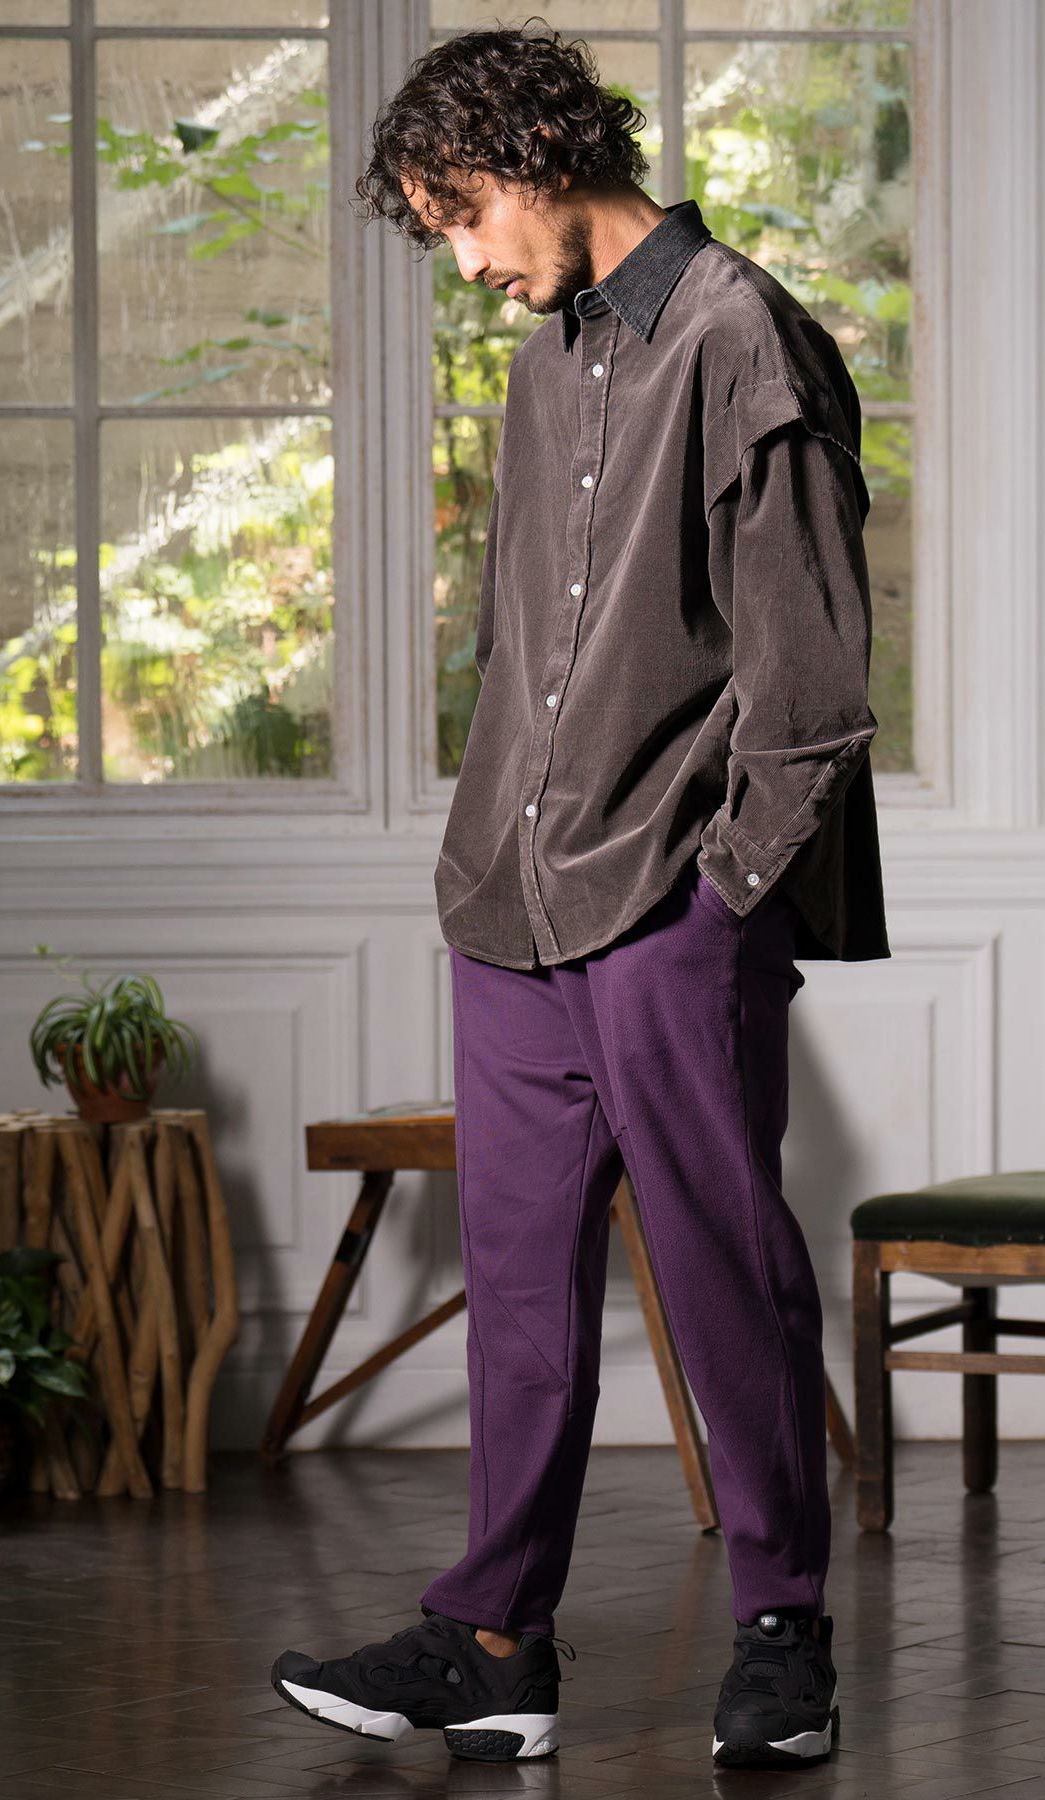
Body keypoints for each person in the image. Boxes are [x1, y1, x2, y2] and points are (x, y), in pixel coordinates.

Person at [271, 16, 888, 1772]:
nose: (468, 264)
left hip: (671, 903)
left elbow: (810, 682)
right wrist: (490, 841)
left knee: (721, 1266)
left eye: (464, 217)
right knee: (521, 1282)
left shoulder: (745, 338)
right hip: (513, 904)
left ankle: (783, 1630)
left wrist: (724, 895)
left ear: (541, 154)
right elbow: (522, 643)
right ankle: (492, 1640)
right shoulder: (549, 366)